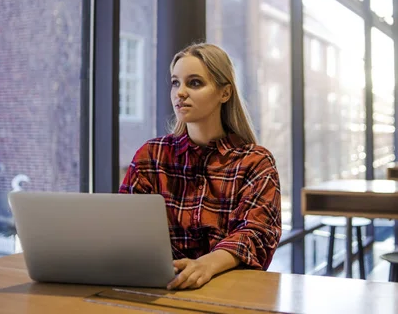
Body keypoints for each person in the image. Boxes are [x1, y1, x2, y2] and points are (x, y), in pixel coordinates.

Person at [119, 42, 282, 290]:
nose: (180, 92)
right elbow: (124, 225)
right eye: (176, 82)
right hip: (161, 291)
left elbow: (257, 234)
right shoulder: (150, 156)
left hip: (230, 294)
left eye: (194, 83)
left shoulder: (256, 162)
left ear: (224, 93)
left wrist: (207, 264)